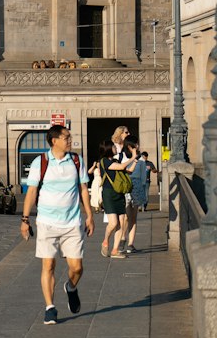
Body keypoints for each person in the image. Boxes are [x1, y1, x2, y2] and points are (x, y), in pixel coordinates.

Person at [20, 124, 94, 325]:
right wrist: (25, 220)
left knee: (77, 267)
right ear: (55, 141)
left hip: (72, 222)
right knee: (48, 264)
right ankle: (50, 308)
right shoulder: (40, 162)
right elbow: (32, 192)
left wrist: (90, 215)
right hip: (47, 222)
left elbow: (83, 189)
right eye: (66, 137)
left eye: (69, 137)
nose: (70, 140)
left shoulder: (76, 161)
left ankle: (70, 287)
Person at [99, 127, 137, 257]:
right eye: (113, 147)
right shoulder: (104, 161)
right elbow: (121, 167)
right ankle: (105, 241)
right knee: (113, 223)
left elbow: (127, 171)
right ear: (109, 149)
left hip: (119, 193)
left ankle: (115, 250)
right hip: (109, 193)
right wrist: (133, 157)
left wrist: (135, 161)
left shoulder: (114, 160)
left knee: (121, 222)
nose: (116, 149)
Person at [123, 146, 151, 251]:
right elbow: (143, 178)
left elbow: (143, 178)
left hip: (136, 187)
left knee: (133, 216)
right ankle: (122, 238)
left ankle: (130, 243)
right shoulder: (123, 158)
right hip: (126, 187)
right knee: (125, 216)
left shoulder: (141, 161)